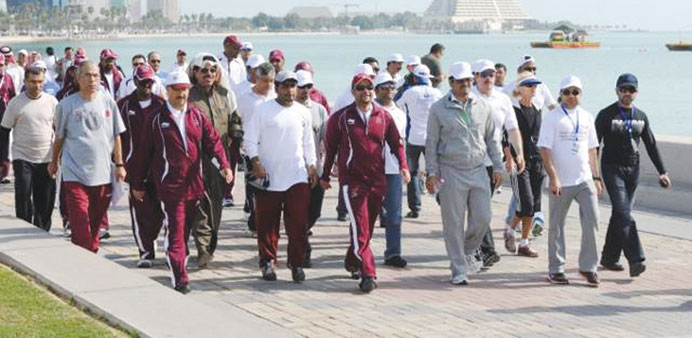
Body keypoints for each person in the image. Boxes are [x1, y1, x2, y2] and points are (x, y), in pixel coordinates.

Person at [130, 71, 232, 294]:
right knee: (175, 232)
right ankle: (180, 278)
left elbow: (213, 141)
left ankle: (177, 260)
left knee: (184, 233)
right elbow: (143, 153)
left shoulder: (196, 114)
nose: (181, 94)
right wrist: (136, 183)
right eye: (176, 89)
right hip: (170, 188)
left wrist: (224, 164)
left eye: (184, 89)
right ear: (167, 91)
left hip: (194, 187)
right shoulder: (156, 118)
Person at [321, 72, 410, 293]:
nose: (365, 92)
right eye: (360, 88)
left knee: (367, 228)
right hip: (353, 181)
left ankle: (353, 259)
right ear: (353, 92)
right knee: (360, 227)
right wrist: (325, 176)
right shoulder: (341, 117)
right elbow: (330, 148)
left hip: (377, 179)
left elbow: (396, 143)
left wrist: (404, 166)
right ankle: (368, 273)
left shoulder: (383, 116)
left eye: (369, 88)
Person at [425, 61, 503, 285]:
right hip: (451, 171)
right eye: (461, 81)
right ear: (451, 83)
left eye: (469, 80)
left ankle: (467, 250)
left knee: (483, 217)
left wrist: (497, 166)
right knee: (453, 222)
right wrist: (432, 173)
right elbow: (431, 144)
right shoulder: (438, 109)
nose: (466, 84)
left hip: (478, 169)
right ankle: (458, 268)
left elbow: (492, 139)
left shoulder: (482, 106)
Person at [244, 70, 318, 282]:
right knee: (267, 224)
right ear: (276, 87)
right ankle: (267, 262)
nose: (290, 90)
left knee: (298, 224)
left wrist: (311, 165)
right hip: (269, 177)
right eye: (285, 86)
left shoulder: (303, 112)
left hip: (297, 176)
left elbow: (308, 142)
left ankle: (296, 264)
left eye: (293, 86)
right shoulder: (263, 110)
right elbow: (249, 141)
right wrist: (256, 163)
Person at [596, 73, 671, 278]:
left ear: (636, 92)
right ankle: (636, 259)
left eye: (631, 90)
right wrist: (594, 175)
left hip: (633, 169)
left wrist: (662, 171)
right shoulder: (606, 114)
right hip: (612, 168)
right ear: (617, 91)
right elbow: (593, 146)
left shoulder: (641, 116)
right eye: (623, 89)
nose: (627, 93)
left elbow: (651, 145)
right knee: (623, 212)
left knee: (620, 215)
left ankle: (609, 258)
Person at [48, 60, 127, 253]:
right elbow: (59, 137)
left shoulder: (107, 101)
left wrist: (119, 164)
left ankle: (90, 252)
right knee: (80, 219)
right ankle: (83, 257)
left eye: (96, 76)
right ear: (77, 77)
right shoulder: (66, 105)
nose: (92, 80)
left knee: (96, 220)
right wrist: (54, 162)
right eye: (87, 75)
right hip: (74, 173)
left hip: (102, 173)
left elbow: (116, 134)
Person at [537, 75, 602, 287]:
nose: (572, 96)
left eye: (576, 92)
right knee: (557, 225)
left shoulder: (587, 117)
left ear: (581, 94)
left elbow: (592, 148)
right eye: (567, 92)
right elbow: (544, 149)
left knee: (592, 220)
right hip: (561, 181)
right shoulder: (553, 117)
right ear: (561, 94)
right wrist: (553, 178)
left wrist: (596, 176)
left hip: (584, 179)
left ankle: (588, 267)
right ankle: (556, 269)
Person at [470, 59, 525, 264]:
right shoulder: (468, 98)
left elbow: (512, 128)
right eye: (483, 75)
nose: (487, 79)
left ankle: (475, 245)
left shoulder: (502, 99)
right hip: (470, 161)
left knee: (481, 207)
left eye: (491, 75)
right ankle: (487, 249)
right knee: (480, 206)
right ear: (475, 77)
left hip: (493, 162)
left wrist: (518, 153)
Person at [188, 53, 237, 268]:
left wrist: (236, 136)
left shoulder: (226, 94)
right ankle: (202, 247)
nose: (208, 74)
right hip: (195, 160)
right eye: (203, 70)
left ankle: (210, 245)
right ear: (194, 73)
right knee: (199, 202)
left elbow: (235, 120)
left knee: (216, 203)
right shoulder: (188, 97)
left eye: (212, 70)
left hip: (220, 159)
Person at [116, 64, 166, 268]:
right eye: (143, 82)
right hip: (135, 166)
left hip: (159, 169)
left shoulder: (161, 104)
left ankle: (158, 242)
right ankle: (145, 251)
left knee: (159, 212)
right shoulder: (124, 106)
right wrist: (119, 163)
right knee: (140, 210)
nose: (146, 86)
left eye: (149, 82)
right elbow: (116, 136)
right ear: (135, 82)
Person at [0, 65, 57, 230]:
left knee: (44, 200)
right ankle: (24, 226)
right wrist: (3, 159)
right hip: (22, 157)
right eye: (33, 82)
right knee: (23, 195)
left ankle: (42, 231)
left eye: (40, 82)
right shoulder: (15, 103)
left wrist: (57, 158)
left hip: (46, 157)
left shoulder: (52, 102)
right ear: (25, 81)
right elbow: (4, 131)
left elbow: (59, 130)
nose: (37, 86)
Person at [505, 72, 545, 258]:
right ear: (519, 89)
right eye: (529, 85)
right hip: (520, 163)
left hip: (537, 161)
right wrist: (509, 158)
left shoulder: (537, 111)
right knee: (526, 202)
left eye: (535, 85)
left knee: (533, 205)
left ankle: (524, 243)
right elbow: (505, 137)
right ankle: (511, 229)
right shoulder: (513, 111)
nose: (533, 88)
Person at [395, 64, 443, 219]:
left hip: (414, 137)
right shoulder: (437, 92)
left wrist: (404, 86)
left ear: (414, 77)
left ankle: (415, 207)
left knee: (413, 173)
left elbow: (395, 103)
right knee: (437, 171)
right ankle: (442, 199)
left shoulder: (409, 92)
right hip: (433, 137)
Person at [374, 72, 409, 268]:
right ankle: (361, 252)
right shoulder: (370, 110)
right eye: (384, 87)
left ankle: (393, 252)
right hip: (371, 169)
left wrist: (404, 166)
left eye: (391, 87)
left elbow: (400, 143)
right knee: (368, 214)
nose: (388, 91)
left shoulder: (400, 114)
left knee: (395, 215)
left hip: (393, 169)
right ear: (377, 89)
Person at [295, 70, 327, 268]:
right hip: (295, 171)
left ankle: (302, 234)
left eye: (309, 87)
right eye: (301, 87)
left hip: (316, 168)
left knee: (314, 212)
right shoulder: (286, 109)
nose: (306, 90)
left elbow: (326, 138)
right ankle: (302, 250)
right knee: (298, 212)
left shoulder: (319, 109)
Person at [0, 55, 17, 184]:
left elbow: (13, 96)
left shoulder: (7, 78)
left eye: (1, 65)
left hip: (4, 115)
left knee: (4, 145)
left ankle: (5, 173)